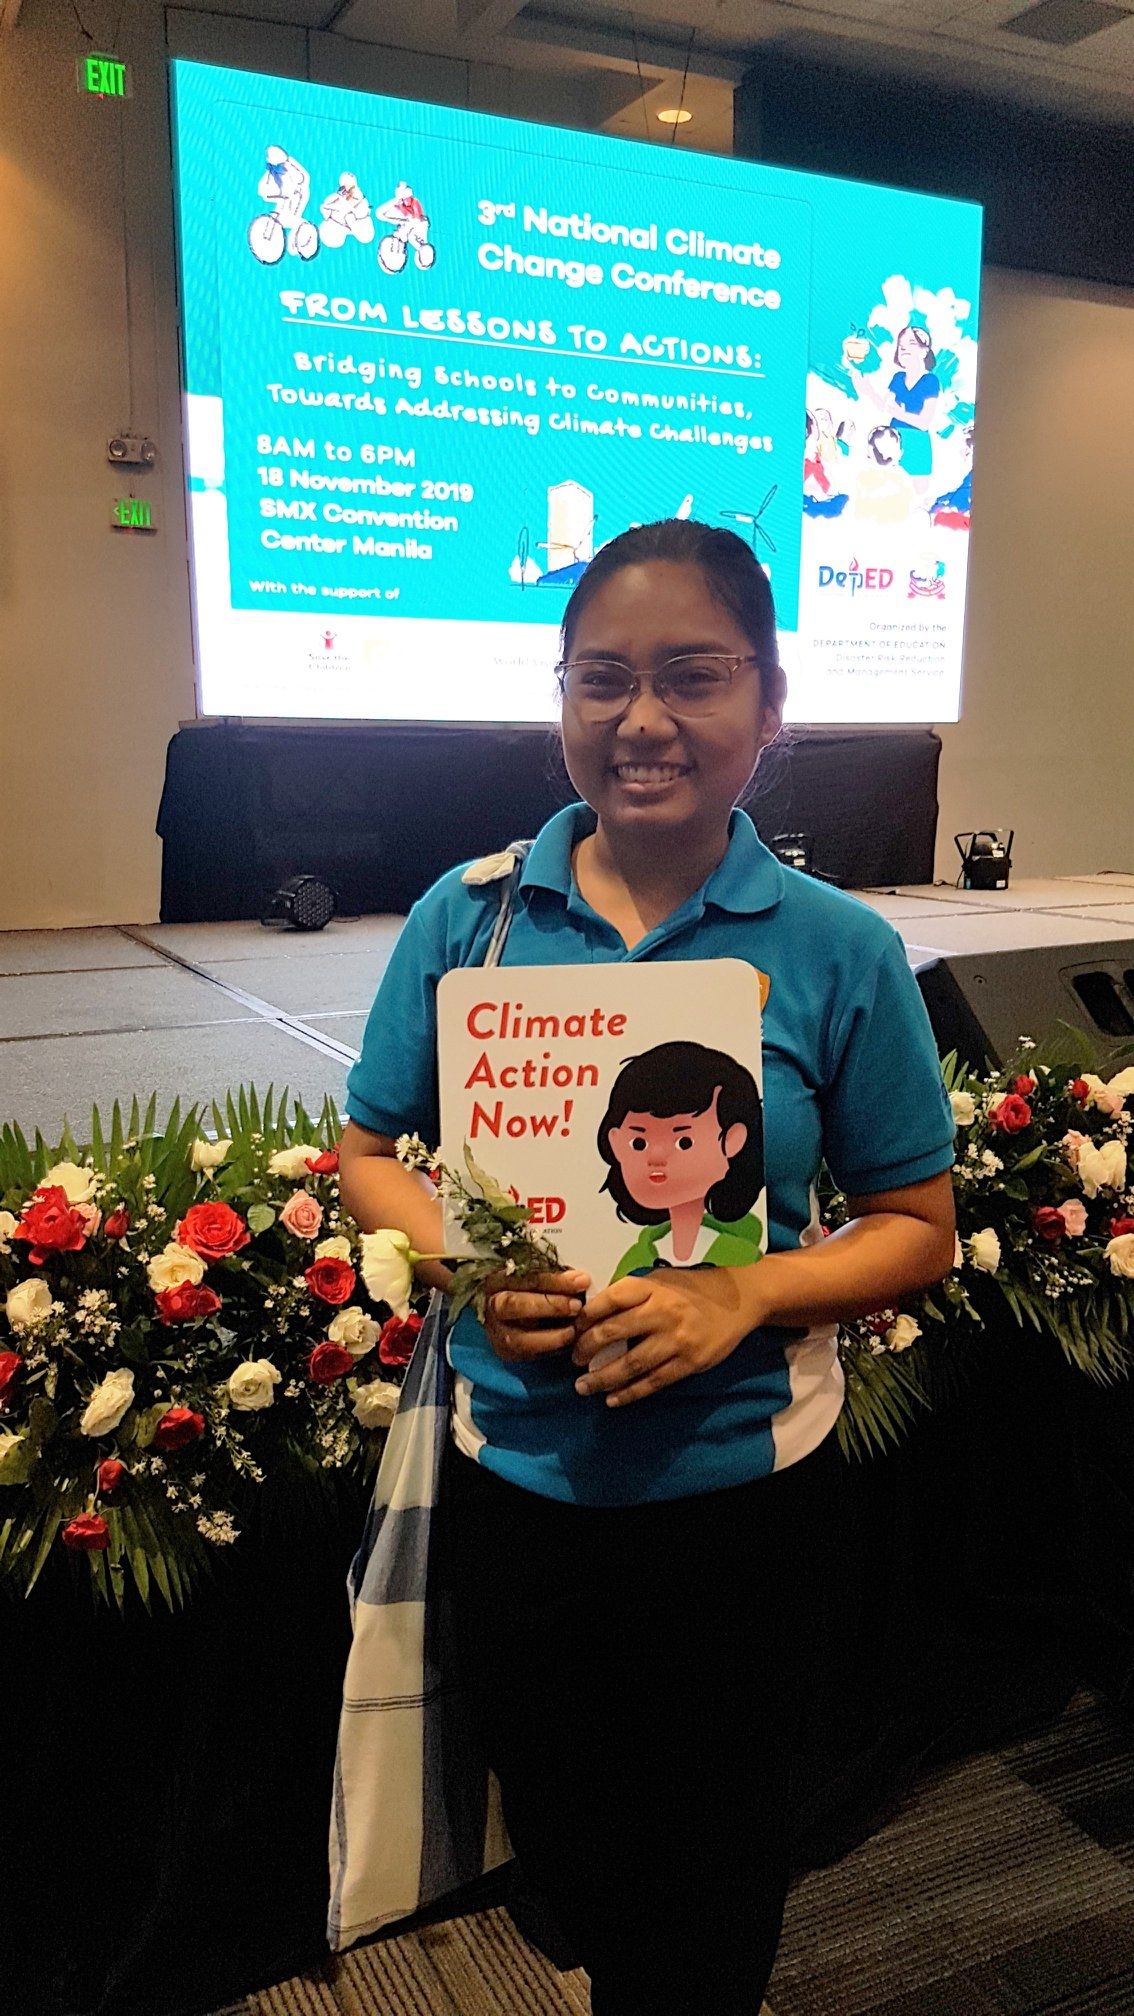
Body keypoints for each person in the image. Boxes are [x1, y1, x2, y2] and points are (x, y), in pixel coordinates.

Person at [339, 518, 957, 2015]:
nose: (642, 721)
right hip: (521, 1496)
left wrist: (744, 1288)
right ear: (559, 698)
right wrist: (465, 1262)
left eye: (692, 677)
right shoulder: (467, 918)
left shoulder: (835, 948)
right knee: (567, 1850)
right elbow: (365, 1149)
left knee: (720, 1869)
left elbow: (916, 1224)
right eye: (600, 679)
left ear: (769, 703)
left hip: (739, 1510)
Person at [597, 1040, 765, 1276]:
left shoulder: (740, 1254)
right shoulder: (638, 1255)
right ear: (616, 1142)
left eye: (683, 1142)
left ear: (732, 1140)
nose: (655, 1157)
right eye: (639, 1143)